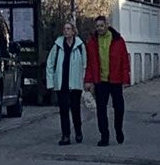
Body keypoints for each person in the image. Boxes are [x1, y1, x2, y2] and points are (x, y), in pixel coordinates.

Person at [85, 14, 131, 146]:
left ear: (107, 25)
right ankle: (104, 136)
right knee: (101, 109)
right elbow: (90, 63)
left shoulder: (118, 40)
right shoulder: (92, 42)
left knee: (119, 107)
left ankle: (118, 129)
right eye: (97, 26)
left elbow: (124, 61)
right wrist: (88, 80)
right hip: (101, 80)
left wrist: (125, 79)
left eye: (101, 25)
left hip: (115, 79)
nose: (99, 28)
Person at [45, 17, 87, 146]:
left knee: (75, 110)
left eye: (68, 29)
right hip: (61, 83)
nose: (66, 31)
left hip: (75, 84)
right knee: (63, 110)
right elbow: (50, 64)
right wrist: (51, 82)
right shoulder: (57, 46)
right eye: (64, 29)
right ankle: (65, 135)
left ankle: (78, 131)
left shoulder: (80, 46)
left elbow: (85, 65)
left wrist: (84, 81)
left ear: (74, 31)